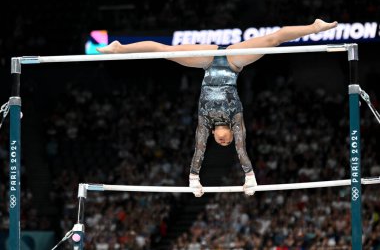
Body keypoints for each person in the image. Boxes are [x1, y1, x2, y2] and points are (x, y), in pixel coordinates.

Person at [97, 19, 338, 197]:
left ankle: (120, 48)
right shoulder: (236, 117)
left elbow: (199, 150)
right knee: (272, 40)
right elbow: (242, 149)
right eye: (227, 142)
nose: (224, 141)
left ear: (213, 134)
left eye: (219, 142)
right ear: (233, 134)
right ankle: (315, 27)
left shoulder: (204, 121)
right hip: (233, 61)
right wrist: (250, 178)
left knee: (166, 52)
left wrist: (194, 180)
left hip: (208, 60)